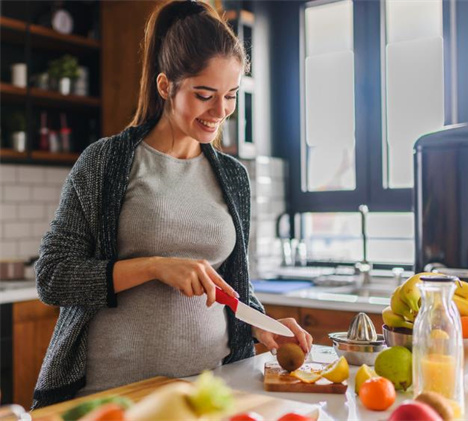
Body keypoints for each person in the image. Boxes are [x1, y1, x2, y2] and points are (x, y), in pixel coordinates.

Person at [33, 0, 312, 409]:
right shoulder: (106, 162)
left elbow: (229, 285)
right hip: (114, 398)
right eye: (204, 95)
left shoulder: (233, 177)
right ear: (166, 86)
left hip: (208, 393)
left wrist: (263, 325)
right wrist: (155, 266)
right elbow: (53, 276)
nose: (220, 112)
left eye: (231, 96)